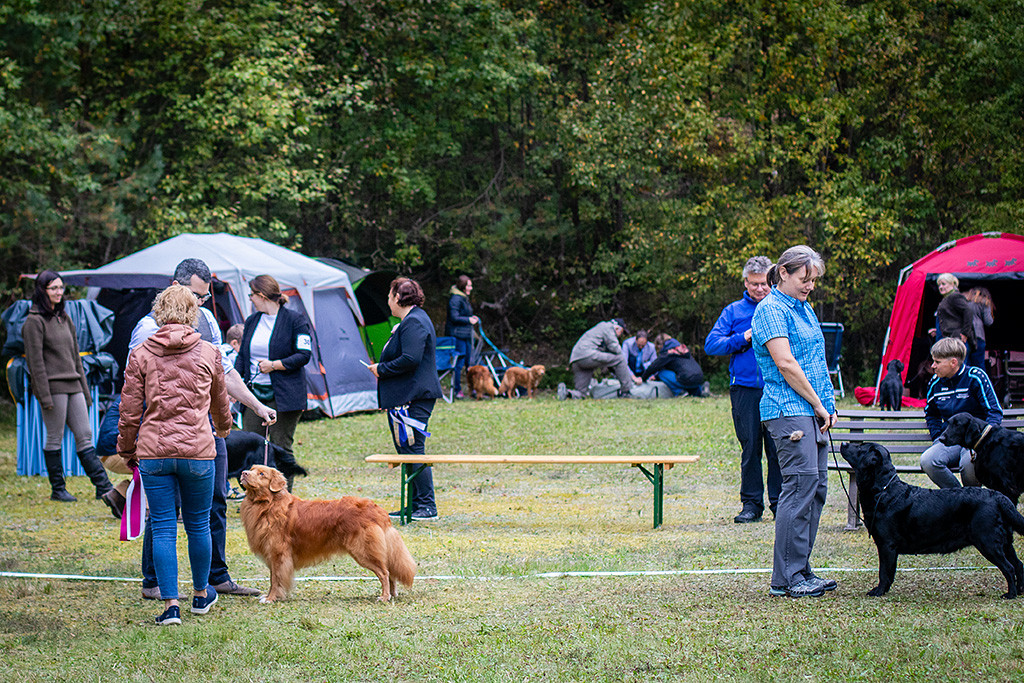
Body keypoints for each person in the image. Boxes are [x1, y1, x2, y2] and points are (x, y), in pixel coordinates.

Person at [129, 258, 274, 600]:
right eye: (195, 296)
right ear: (174, 288)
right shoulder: (146, 329)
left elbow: (224, 375)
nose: (200, 304)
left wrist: (254, 406)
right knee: (165, 515)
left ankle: (216, 578)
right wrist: (133, 443)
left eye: (205, 298)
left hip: (206, 432)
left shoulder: (207, 320)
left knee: (215, 502)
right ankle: (154, 582)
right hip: (164, 436)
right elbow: (132, 390)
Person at [118, 284, 233, 626]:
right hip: (198, 450)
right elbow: (220, 402)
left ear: (159, 312)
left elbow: (129, 411)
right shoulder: (210, 352)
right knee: (198, 524)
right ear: (192, 313)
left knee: (165, 526)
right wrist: (223, 428)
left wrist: (126, 448)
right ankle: (201, 594)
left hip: (154, 451)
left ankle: (170, 605)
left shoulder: (141, 354)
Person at [752, 245, 837, 599]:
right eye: (805, 279)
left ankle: (800, 568)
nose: (810, 286)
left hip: (814, 409)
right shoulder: (770, 309)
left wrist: (828, 404)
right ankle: (786, 578)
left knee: (816, 489)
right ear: (784, 272)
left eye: (814, 280)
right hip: (788, 410)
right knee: (799, 487)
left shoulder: (804, 309)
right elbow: (786, 364)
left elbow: (817, 361)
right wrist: (817, 404)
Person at [22, 270, 115, 506]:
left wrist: (85, 391)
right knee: (55, 437)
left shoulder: (65, 318)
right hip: (53, 388)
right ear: (42, 290)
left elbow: (76, 358)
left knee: (85, 435)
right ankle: (58, 488)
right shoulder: (34, 321)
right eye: (53, 288)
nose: (58, 292)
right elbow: (35, 363)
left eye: (61, 288)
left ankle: (103, 487)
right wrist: (43, 395)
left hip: (74, 384)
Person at [705, 256, 781, 524]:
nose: (759, 289)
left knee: (777, 449)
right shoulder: (733, 311)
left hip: (776, 388)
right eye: (754, 284)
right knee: (750, 448)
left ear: (772, 281)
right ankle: (751, 505)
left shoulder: (782, 308)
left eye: (764, 284)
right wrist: (743, 338)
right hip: (745, 390)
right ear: (745, 282)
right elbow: (711, 345)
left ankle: (779, 504)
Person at [368, 278, 444, 521]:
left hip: (415, 396)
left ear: (398, 298)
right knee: (406, 448)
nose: (388, 301)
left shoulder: (414, 322)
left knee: (413, 448)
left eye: (390, 296)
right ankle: (412, 504)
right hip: (406, 396)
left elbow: (410, 359)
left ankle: (427, 506)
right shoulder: (409, 321)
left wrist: (382, 369)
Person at [235, 275, 313, 471]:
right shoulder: (252, 321)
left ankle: (283, 499)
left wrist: (275, 365)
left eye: (252, 295)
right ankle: (256, 498)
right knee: (250, 445)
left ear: (261, 295)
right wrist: (233, 386)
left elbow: (304, 355)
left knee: (280, 448)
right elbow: (243, 356)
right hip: (254, 394)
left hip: (285, 396)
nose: (250, 298)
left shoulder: (295, 320)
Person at [920, 337, 1002, 489]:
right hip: (949, 440)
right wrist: (938, 436)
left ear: (953, 363)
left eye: (937, 362)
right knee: (927, 460)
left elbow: (994, 411)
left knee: (968, 464)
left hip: (975, 442)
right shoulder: (935, 383)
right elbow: (931, 414)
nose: (932, 366)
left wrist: (983, 442)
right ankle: (958, 497)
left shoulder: (976, 377)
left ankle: (973, 502)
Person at [561, 318, 641, 399]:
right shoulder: (607, 327)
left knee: (581, 393)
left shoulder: (599, 329)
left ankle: (567, 393)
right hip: (588, 355)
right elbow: (615, 349)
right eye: (622, 332)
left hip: (576, 358)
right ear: (617, 328)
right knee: (620, 359)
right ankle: (626, 392)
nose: (621, 335)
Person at [445, 275, 479, 399]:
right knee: (459, 364)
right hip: (457, 335)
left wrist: (472, 318)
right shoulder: (455, 299)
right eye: (469, 285)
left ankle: (474, 390)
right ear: (463, 286)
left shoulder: (464, 298)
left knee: (470, 363)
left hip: (466, 335)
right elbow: (454, 317)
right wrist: (468, 320)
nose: (471, 288)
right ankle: (457, 391)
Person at [640, 339, 708, 397]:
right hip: (700, 379)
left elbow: (654, 367)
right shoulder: (687, 355)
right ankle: (701, 390)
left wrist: (643, 378)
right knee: (689, 378)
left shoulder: (669, 355)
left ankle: (680, 392)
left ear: (670, 349)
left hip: (686, 380)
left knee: (662, 373)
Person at [932, 273, 974, 351]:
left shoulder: (955, 296)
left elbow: (968, 311)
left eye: (943, 284)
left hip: (955, 340)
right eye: (939, 285)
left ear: (952, 284)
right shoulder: (947, 298)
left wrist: (965, 333)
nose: (941, 287)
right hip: (947, 339)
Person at [964, 287, 995, 370]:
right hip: (978, 336)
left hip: (964, 336)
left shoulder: (964, 302)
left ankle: (965, 382)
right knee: (978, 365)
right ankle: (978, 382)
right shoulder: (984, 302)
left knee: (964, 364)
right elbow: (988, 321)